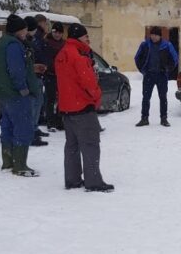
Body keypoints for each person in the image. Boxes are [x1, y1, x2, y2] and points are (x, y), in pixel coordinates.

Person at [56, 23, 114, 193]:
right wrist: (96, 96)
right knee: (90, 144)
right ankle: (93, 181)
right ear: (79, 37)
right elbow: (88, 81)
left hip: (67, 107)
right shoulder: (79, 56)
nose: (88, 39)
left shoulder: (62, 54)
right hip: (82, 106)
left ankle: (72, 179)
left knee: (72, 145)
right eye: (85, 36)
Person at [0, 14, 42, 177]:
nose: (26, 31)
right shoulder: (14, 45)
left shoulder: (2, 43)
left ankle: (8, 161)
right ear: (18, 30)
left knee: (7, 126)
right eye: (24, 29)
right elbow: (16, 70)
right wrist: (23, 89)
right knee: (23, 127)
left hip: (3, 92)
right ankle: (20, 165)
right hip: (15, 93)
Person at [134, 27, 179, 127]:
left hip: (161, 75)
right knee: (146, 97)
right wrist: (143, 70)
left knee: (163, 97)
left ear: (160, 36)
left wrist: (167, 69)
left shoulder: (167, 45)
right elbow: (137, 57)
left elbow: (175, 59)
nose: (154, 37)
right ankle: (144, 118)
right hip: (149, 75)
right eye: (152, 35)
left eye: (156, 35)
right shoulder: (145, 45)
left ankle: (164, 119)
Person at [24, 16, 48, 147]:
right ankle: (31, 131)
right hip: (33, 76)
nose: (46, 25)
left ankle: (34, 128)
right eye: (45, 22)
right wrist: (35, 66)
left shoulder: (37, 38)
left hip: (38, 75)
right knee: (34, 104)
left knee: (38, 102)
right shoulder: (32, 39)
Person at [41, 22, 67, 132]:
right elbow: (45, 58)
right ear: (53, 31)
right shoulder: (46, 42)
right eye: (56, 32)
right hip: (50, 75)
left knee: (62, 99)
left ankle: (59, 121)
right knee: (50, 99)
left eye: (60, 32)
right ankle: (50, 122)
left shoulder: (64, 44)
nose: (57, 34)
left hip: (61, 76)